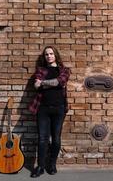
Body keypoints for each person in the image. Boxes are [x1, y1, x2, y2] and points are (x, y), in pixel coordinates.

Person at [28, 46, 70, 178]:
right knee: (42, 139)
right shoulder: (41, 70)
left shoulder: (64, 70)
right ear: (44, 57)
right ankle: (40, 167)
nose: (49, 56)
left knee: (56, 139)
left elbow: (60, 81)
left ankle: (52, 164)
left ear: (55, 55)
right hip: (43, 109)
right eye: (46, 54)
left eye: (51, 54)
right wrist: (49, 83)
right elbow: (36, 85)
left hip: (59, 108)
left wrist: (44, 83)